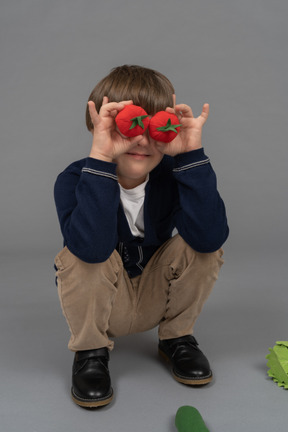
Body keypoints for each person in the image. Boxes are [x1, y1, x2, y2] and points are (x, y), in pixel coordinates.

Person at [54, 64, 229, 408]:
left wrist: (191, 156)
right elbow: (90, 250)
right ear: (99, 126)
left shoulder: (172, 175)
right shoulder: (75, 178)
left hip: (156, 293)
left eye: (155, 128)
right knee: (78, 253)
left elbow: (209, 239)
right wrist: (103, 157)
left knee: (201, 248)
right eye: (127, 124)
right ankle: (90, 350)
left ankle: (177, 338)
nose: (140, 139)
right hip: (106, 298)